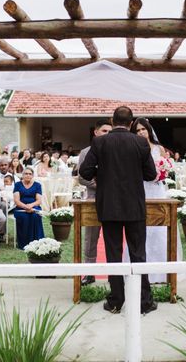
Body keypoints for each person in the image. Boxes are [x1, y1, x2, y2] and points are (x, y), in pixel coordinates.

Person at [79, 106, 158, 315]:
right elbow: (151, 174)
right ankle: (144, 301)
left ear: (112, 121)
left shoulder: (100, 142)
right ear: (131, 123)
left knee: (113, 254)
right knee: (138, 254)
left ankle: (116, 300)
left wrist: (103, 173)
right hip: (134, 205)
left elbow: (85, 171)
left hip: (109, 205)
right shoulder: (140, 142)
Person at [129, 117, 182, 283]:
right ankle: (141, 271)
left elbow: (166, 166)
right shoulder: (133, 147)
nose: (141, 132)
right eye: (137, 131)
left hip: (157, 189)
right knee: (142, 228)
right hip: (142, 189)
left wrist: (162, 172)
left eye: (143, 129)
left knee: (160, 228)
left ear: (148, 130)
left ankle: (162, 271)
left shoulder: (158, 148)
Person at [77, 118, 112, 286]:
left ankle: (115, 273)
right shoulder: (86, 152)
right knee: (91, 237)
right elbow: (81, 177)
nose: (107, 134)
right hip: (93, 199)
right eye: (104, 131)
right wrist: (98, 184)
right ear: (96, 132)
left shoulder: (116, 150)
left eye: (110, 132)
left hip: (113, 201)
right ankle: (89, 272)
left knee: (112, 237)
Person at [12, 167, 45, 249]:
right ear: (22, 175)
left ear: (33, 175)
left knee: (35, 216)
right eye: (26, 173)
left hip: (34, 207)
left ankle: (37, 242)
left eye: (30, 174)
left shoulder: (37, 185)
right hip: (20, 207)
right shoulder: (17, 185)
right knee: (24, 217)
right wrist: (25, 207)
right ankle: (24, 244)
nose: (28, 175)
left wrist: (31, 206)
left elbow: (38, 200)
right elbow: (16, 200)